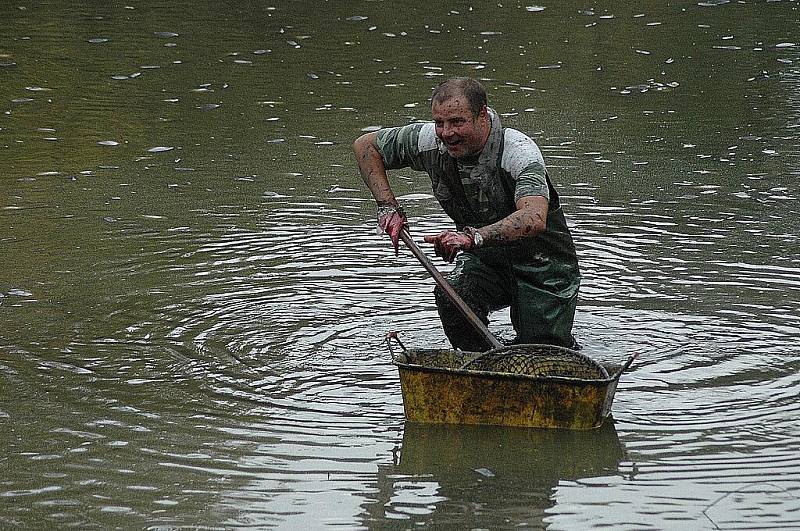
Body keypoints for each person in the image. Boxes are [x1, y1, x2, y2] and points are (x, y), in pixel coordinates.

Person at [353, 77, 580, 351]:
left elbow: (534, 217)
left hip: (542, 267)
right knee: (453, 295)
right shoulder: (429, 141)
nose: (447, 133)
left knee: (541, 353)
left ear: (482, 114)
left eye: (458, 122)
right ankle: (481, 364)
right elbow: (366, 146)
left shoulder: (518, 151)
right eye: (440, 123)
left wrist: (471, 238)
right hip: (486, 262)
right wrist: (388, 206)